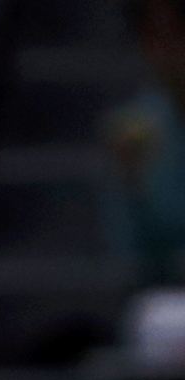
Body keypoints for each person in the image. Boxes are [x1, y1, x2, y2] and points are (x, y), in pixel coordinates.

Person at [107, 0, 185, 289]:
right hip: (165, 305)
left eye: (178, 33)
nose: (167, 52)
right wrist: (131, 182)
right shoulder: (135, 130)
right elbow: (132, 258)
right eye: (154, 37)